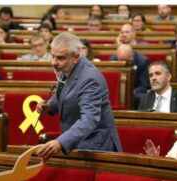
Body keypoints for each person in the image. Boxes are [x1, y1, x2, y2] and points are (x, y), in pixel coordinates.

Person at [37, 32, 122, 160]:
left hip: (96, 147)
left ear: (76, 57)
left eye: (60, 58)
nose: (54, 62)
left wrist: (61, 142)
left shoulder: (90, 79)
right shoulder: (68, 66)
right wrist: (49, 105)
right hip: (78, 143)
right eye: (53, 56)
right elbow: (65, 92)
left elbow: (89, 119)